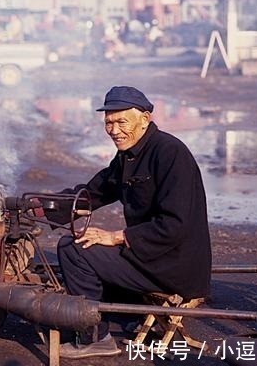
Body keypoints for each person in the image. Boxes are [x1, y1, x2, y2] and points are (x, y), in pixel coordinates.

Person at [56, 86, 212, 359]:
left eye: (121, 122)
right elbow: (95, 193)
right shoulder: (129, 154)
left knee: (73, 249)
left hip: (173, 264)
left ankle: (94, 338)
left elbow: (174, 225)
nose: (114, 130)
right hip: (149, 256)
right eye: (108, 123)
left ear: (145, 119)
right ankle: (126, 313)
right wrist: (45, 206)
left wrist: (115, 236)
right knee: (79, 243)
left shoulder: (170, 153)